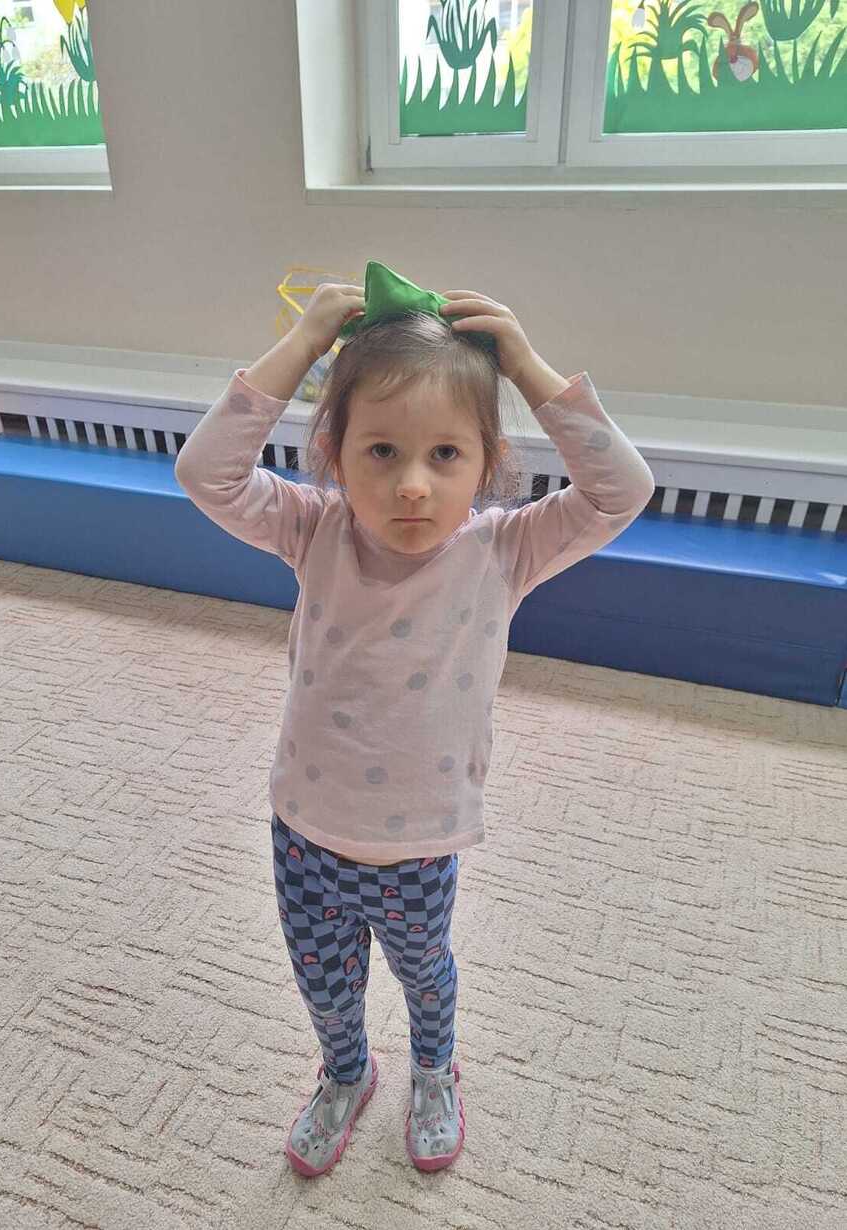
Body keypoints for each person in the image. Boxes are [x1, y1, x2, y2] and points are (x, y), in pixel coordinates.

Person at [174, 272, 656, 1178]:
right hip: (305, 826)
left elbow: (619, 491)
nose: (410, 486)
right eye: (381, 451)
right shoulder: (315, 527)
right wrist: (303, 344)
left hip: (419, 843)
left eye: (444, 455)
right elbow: (206, 473)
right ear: (334, 455)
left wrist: (525, 365)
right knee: (323, 982)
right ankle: (346, 1074)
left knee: (424, 972)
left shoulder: (503, 547)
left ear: (486, 464)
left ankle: (434, 1071)